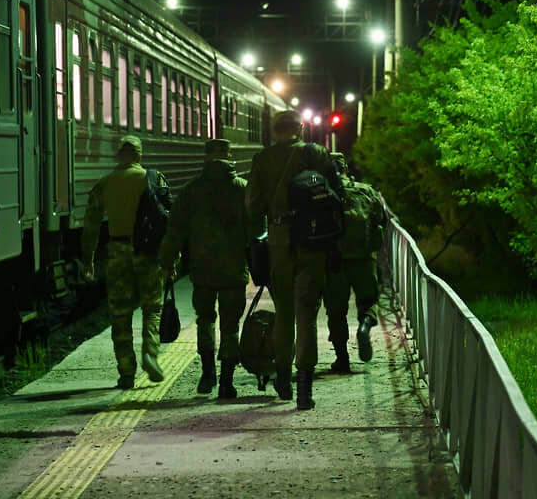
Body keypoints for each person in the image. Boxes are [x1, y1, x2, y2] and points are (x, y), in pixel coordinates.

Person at [245, 111, 344, 410]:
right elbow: (337, 196)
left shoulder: (262, 160)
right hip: (313, 241)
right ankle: (304, 389)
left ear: (275, 131)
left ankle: (283, 377)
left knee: (284, 313)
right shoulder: (317, 154)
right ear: (300, 129)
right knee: (307, 314)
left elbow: (251, 206)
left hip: (278, 239)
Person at [158, 139, 249, 399]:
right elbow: (257, 230)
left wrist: (167, 263)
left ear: (207, 157)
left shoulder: (191, 190)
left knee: (205, 321)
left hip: (202, 271)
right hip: (234, 271)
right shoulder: (242, 189)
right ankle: (227, 383)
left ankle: (208, 374)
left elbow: (175, 231)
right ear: (230, 156)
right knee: (231, 326)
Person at [81, 135, 170, 389]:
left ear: (118, 156)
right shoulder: (152, 179)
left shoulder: (105, 183)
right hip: (147, 253)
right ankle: (150, 354)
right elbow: (166, 220)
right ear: (139, 155)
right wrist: (169, 258)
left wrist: (87, 259)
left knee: (120, 313)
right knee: (152, 307)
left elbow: (91, 225)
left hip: (118, 252)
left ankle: (126, 372)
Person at [323, 153, 389, 372]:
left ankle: (342, 359)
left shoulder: (322, 193)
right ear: (345, 169)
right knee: (369, 301)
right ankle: (364, 327)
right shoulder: (366, 191)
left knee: (336, 310)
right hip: (363, 259)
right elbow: (382, 220)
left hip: (334, 261)